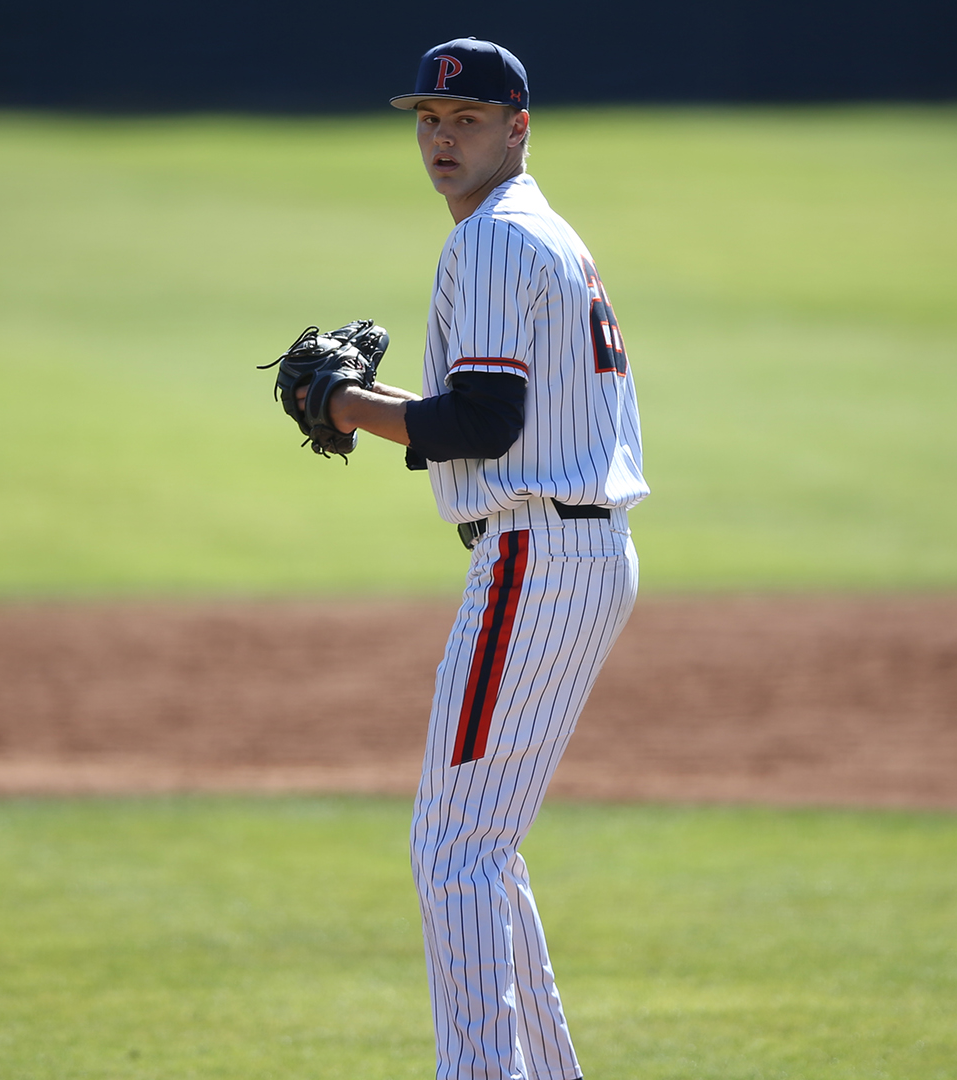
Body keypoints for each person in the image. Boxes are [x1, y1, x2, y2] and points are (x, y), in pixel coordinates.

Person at [308, 37, 647, 1080]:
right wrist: (375, 409)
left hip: (536, 558)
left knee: (453, 851)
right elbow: (491, 416)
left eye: (465, 121)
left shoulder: (494, 240)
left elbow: (485, 422)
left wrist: (347, 405)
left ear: (518, 128)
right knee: (483, 849)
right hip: (573, 550)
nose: (442, 138)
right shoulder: (539, 231)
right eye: (429, 120)